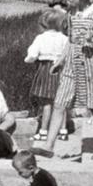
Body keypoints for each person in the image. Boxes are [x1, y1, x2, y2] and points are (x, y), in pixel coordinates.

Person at [32, 0, 93, 160]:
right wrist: (60, 60)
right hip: (72, 64)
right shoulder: (71, 14)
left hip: (92, 63)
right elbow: (71, 41)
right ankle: (48, 146)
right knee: (59, 103)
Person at [25, 10, 70, 142]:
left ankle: (43, 131)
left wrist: (28, 59)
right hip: (60, 69)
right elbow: (67, 55)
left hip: (45, 69)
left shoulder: (41, 38)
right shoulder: (64, 38)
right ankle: (63, 131)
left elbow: (32, 54)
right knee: (61, 102)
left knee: (46, 103)